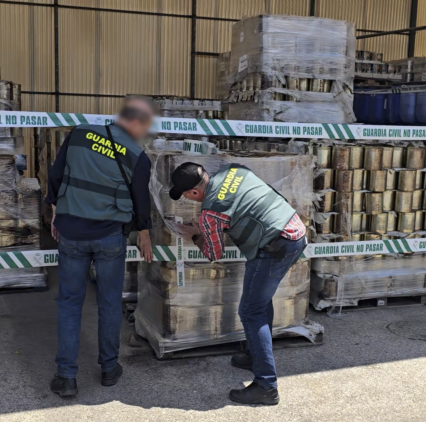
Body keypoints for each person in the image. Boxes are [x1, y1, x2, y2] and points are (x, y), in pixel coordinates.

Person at [168, 162, 307, 405]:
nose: (188, 201)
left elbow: (214, 253)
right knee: (260, 303)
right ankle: (255, 355)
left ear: (193, 193)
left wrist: (195, 235)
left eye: (185, 197)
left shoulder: (209, 212)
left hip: (275, 246)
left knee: (250, 310)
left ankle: (266, 385)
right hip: (294, 230)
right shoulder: (233, 169)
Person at [45, 96, 155, 397]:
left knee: (69, 303)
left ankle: (66, 376)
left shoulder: (79, 133)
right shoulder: (138, 155)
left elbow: (56, 175)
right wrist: (144, 231)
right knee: (109, 304)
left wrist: (55, 210)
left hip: (72, 232)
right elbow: (140, 200)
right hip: (110, 236)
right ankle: (109, 368)